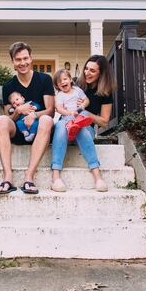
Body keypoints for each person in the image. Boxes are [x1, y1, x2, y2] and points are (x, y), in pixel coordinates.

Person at [0, 42, 54, 195]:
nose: (22, 63)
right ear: (13, 62)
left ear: (31, 58)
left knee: (46, 120)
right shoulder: (8, 86)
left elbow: (50, 111)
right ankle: (7, 178)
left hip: (40, 131)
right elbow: (9, 118)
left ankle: (29, 177)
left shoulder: (44, 79)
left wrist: (34, 115)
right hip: (19, 131)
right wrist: (19, 110)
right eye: (18, 59)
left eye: (25, 58)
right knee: (1, 120)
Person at [50, 55, 115, 193]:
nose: (87, 72)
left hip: (85, 128)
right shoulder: (75, 85)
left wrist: (85, 113)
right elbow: (59, 104)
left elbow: (104, 122)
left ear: (101, 73)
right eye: (86, 68)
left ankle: (97, 177)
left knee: (81, 126)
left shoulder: (105, 93)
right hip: (66, 126)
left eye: (92, 70)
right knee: (61, 125)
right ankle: (56, 178)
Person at [52, 68, 93, 141]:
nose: (62, 82)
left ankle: (79, 122)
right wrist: (70, 113)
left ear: (70, 79)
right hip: (68, 115)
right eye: (59, 81)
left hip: (79, 113)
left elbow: (87, 100)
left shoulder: (77, 90)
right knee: (68, 119)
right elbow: (59, 108)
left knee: (85, 113)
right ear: (57, 85)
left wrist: (82, 105)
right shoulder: (59, 95)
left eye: (65, 79)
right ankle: (71, 128)